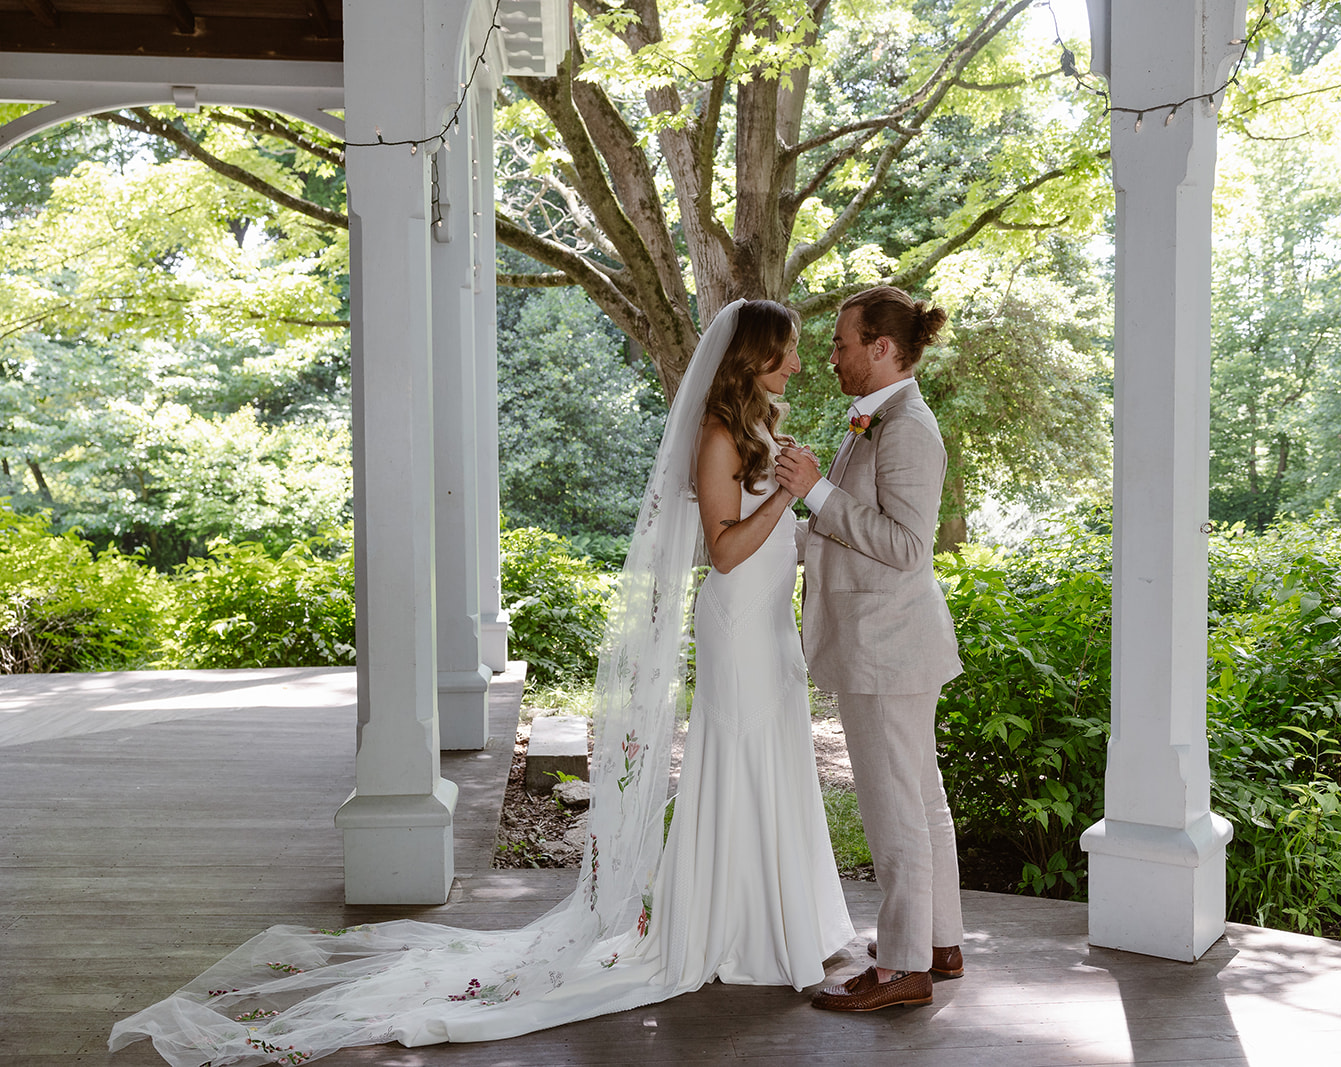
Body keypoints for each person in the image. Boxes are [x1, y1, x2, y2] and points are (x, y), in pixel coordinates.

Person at [109, 299, 853, 1066]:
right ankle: (735, 925)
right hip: (737, 627)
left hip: (771, 629)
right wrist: (795, 493)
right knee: (740, 759)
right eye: (788, 351)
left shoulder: (765, 428)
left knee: (779, 756)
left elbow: (774, 540)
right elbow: (725, 549)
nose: (798, 364)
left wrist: (804, 495)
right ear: (754, 357)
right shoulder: (719, 432)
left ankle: (786, 916)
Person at [774, 285, 965, 1013]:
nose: (831, 357)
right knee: (920, 797)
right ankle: (939, 941)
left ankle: (902, 968)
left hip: (888, 648)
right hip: (890, 644)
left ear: (882, 347)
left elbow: (907, 546)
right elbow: (851, 534)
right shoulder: (874, 421)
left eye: (842, 343)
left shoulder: (908, 427)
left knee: (895, 812)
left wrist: (817, 490)